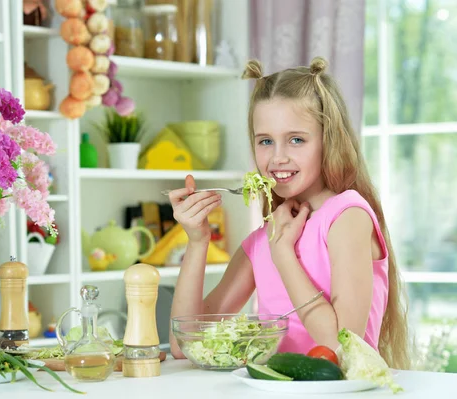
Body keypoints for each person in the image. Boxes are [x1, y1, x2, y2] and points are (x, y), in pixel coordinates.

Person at [167, 56, 411, 370]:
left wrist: (284, 254)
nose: (277, 157)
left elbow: (344, 350)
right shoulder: (263, 238)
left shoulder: (347, 216)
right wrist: (198, 242)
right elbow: (183, 344)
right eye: (265, 141)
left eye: (296, 140)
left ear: (328, 140)